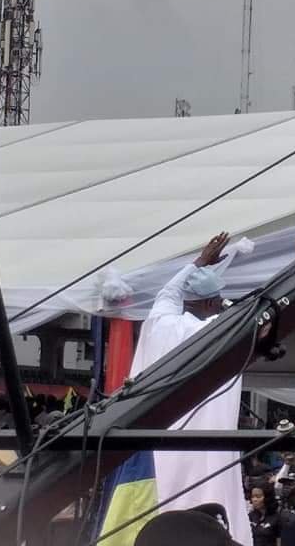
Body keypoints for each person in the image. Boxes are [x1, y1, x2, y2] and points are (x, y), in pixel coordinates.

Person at [118, 232, 254, 546]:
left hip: (159, 443)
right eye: (218, 301)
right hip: (206, 446)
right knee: (207, 502)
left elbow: (168, 292)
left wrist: (199, 263)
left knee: (164, 510)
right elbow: (271, 315)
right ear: (210, 302)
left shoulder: (158, 323)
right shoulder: (218, 332)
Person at [249, 482, 282, 546]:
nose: (254, 499)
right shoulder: (250, 516)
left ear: (267, 497)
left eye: (258, 496)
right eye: (252, 496)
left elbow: (279, 541)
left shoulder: (277, 518)